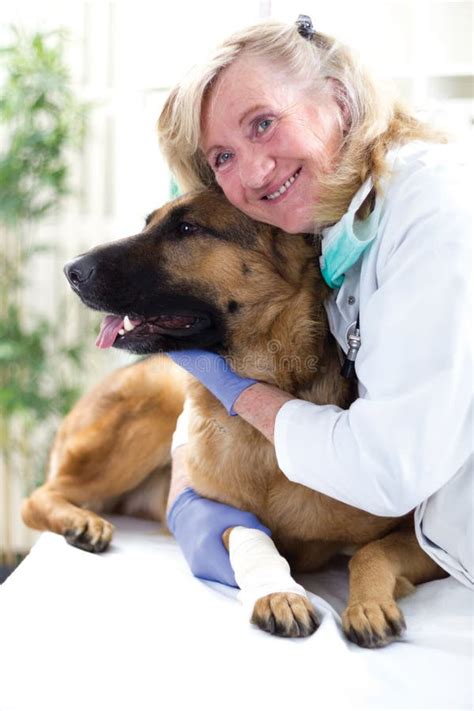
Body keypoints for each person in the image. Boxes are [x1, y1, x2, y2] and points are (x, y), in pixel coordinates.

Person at [157, 16, 473, 589]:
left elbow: (388, 471)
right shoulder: (324, 226)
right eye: (222, 157)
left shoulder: (437, 212)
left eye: (263, 123)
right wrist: (188, 465)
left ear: (338, 96)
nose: (253, 171)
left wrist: (241, 395)